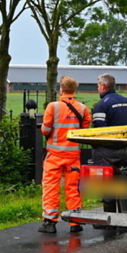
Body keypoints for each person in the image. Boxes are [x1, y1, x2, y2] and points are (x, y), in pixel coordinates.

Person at [38, 76, 92, 234]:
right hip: (73, 155)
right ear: (75, 90)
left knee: (50, 187)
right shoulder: (82, 108)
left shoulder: (52, 107)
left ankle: (49, 222)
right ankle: (75, 222)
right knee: (73, 188)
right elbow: (84, 129)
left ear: (61, 89)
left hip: (54, 155)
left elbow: (45, 130)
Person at [91, 73, 127, 168]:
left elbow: (98, 128)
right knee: (122, 177)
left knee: (102, 181)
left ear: (103, 86)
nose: (98, 89)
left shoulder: (101, 105)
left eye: (98, 86)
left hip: (105, 151)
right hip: (123, 148)